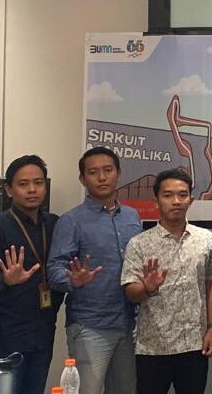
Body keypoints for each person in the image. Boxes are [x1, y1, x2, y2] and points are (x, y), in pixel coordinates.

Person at [47, 146, 143, 394]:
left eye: (108, 170)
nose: (102, 177)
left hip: (128, 322)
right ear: (82, 179)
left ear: (118, 173)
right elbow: (54, 269)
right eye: (93, 172)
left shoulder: (132, 217)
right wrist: (73, 280)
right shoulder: (71, 220)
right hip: (90, 326)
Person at [121, 168, 212, 394]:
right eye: (168, 195)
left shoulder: (206, 239)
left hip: (194, 344)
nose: (176, 201)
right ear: (156, 200)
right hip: (153, 347)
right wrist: (146, 288)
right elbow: (130, 292)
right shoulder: (139, 244)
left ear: (191, 200)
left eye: (182, 195)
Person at [0, 155, 66, 394]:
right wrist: (6, 280)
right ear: (8, 189)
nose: (32, 189)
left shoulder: (55, 224)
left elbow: (61, 268)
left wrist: (72, 280)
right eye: (23, 184)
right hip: (2, 337)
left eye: (38, 183)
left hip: (42, 333)